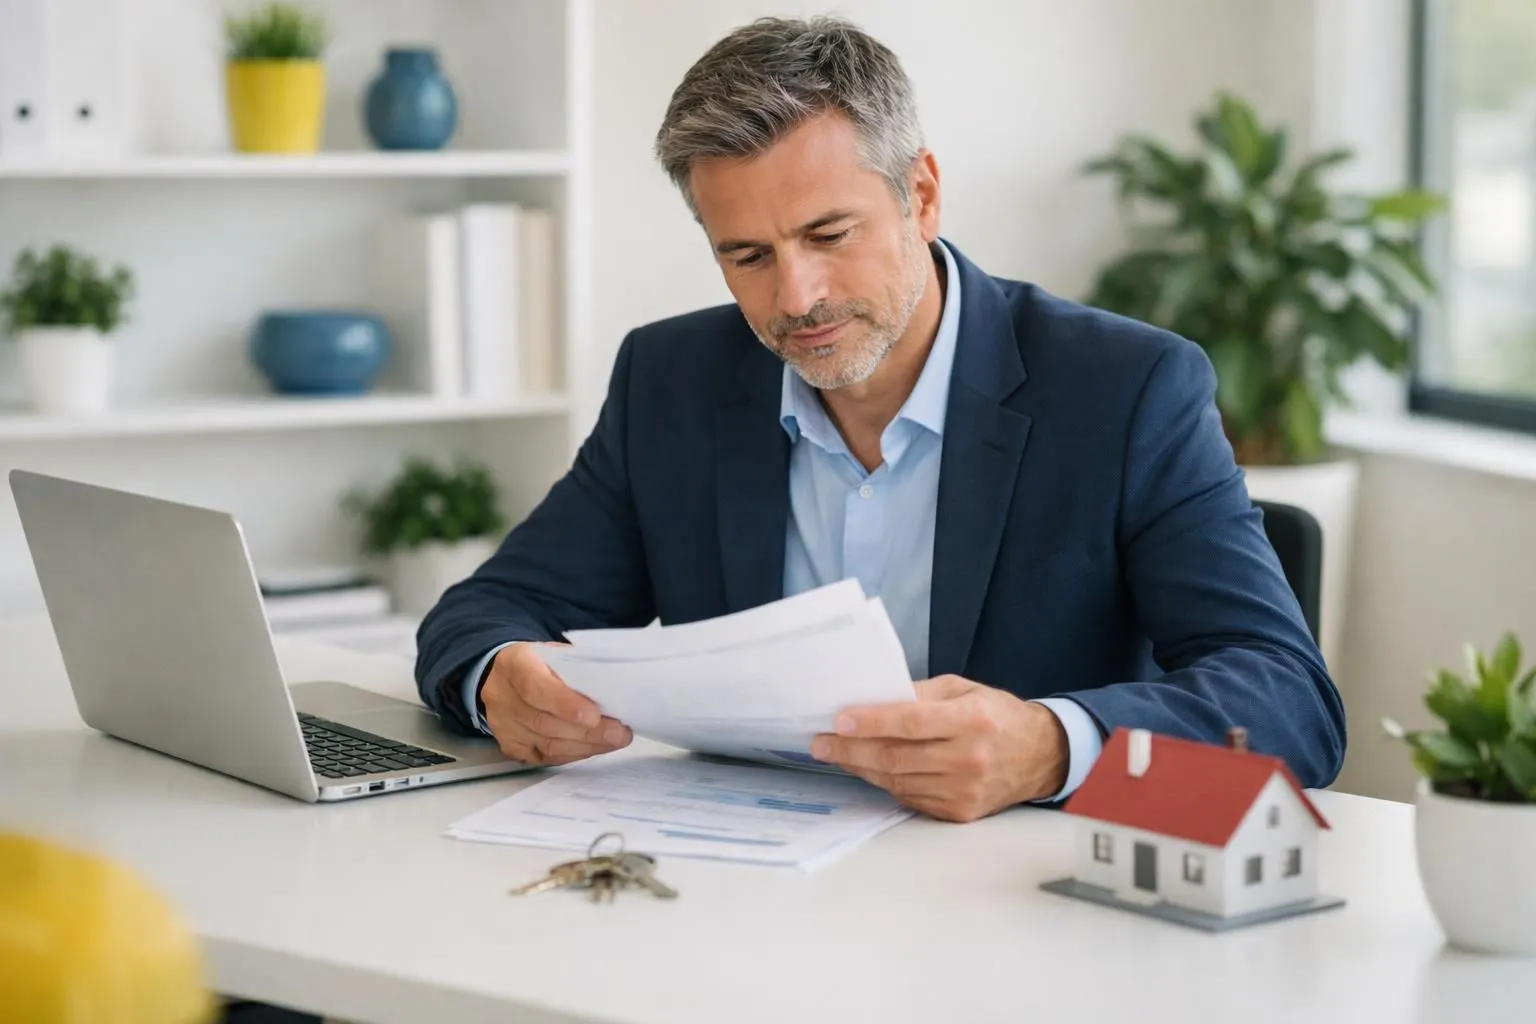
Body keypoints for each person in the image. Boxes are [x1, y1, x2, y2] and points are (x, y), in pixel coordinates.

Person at [415, 16, 1345, 823]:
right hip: (739, 889)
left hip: (1007, 907)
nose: (797, 296)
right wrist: (499, 675)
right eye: (746, 255)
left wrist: (1052, 746)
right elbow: (487, 614)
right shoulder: (673, 379)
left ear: (922, 197)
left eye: (829, 235)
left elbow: (1289, 702)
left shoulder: (1127, 389)